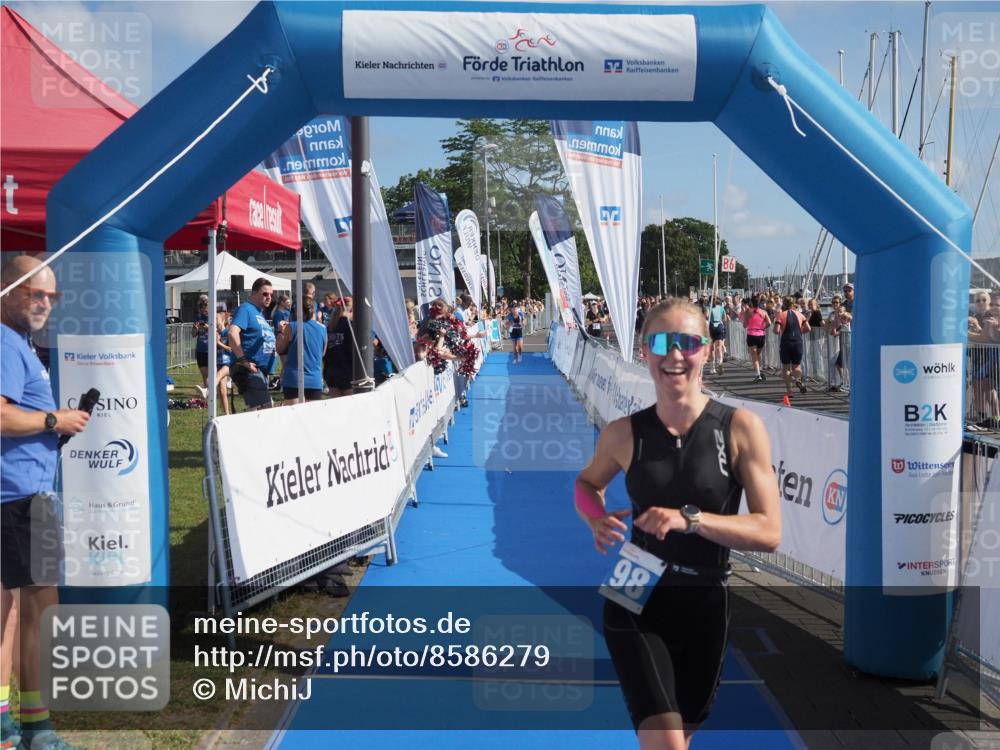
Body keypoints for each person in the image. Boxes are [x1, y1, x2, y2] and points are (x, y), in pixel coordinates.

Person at [573, 297, 780, 750]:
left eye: (687, 342)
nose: (674, 355)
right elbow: (586, 484)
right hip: (635, 588)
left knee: (681, 736)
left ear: (707, 348)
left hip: (707, 596)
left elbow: (769, 531)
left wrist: (691, 520)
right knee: (666, 741)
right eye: (661, 342)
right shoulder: (624, 433)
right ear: (643, 351)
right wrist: (595, 516)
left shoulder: (740, 428)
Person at [2, 256, 90, 750]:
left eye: (51, 296)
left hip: (21, 494)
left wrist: (52, 429)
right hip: (20, 498)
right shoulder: (5, 342)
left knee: (15, 612)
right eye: (35, 293)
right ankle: (35, 729)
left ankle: (12, 725)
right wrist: (55, 421)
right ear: (7, 290)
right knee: (39, 610)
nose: (45, 303)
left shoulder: (17, 343)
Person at [228, 278, 277, 410]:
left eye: (271, 294)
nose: (269, 297)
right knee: (263, 409)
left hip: (259, 371)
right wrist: (243, 360)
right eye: (265, 294)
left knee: (261, 409)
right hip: (248, 369)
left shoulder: (259, 313)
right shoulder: (246, 309)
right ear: (254, 293)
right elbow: (232, 333)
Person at [276, 300, 327, 404]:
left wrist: (280, 331)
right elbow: (322, 353)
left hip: (293, 379)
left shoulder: (292, 326)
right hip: (314, 379)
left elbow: (280, 349)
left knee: (294, 413)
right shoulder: (322, 328)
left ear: (297, 312)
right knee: (311, 414)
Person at [773, 296, 811, 399]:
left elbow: (776, 331)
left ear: (784, 304)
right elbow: (808, 328)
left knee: (786, 367)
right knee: (797, 366)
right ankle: (798, 380)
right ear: (793, 304)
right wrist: (800, 332)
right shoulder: (800, 314)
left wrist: (777, 328)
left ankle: (790, 391)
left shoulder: (781, 315)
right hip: (798, 342)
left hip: (786, 342)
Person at [323, 297, 355, 398]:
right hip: (348, 374)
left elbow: (325, 352)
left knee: (336, 406)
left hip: (332, 373)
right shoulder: (352, 327)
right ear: (351, 310)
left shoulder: (330, 327)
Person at [741, 295, 771, 382]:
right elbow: (769, 323)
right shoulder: (764, 312)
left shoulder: (747, 312)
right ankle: (760, 371)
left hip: (751, 335)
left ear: (751, 303)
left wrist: (749, 322)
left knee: (754, 356)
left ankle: (758, 374)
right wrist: (762, 327)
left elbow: (744, 325)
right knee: (758, 355)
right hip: (761, 335)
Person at [192, 294, 211, 397]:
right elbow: (193, 335)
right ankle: (207, 392)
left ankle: (211, 391)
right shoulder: (198, 318)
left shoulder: (213, 316)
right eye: (201, 305)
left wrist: (209, 328)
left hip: (211, 349)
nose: (203, 307)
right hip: (201, 349)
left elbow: (220, 332)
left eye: (205, 305)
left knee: (212, 373)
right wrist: (195, 329)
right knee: (204, 374)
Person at [706, 295, 728, 375]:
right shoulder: (721, 308)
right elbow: (725, 318)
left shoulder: (708, 308)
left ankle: (712, 368)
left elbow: (707, 316)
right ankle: (720, 363)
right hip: (719, 326)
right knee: (719, 347)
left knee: (712, 348)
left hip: (712, 327)